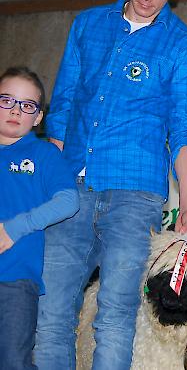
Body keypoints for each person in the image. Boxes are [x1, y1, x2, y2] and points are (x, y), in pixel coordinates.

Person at [33, 0, 187, 368]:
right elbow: (63, 109)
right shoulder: (87, 25)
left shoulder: (183, 47)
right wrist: (49, 182)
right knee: (51, 309)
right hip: (69, 190)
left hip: (135, 196)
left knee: (115, 312)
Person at [0, 67, 79, 370]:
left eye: (27, 105)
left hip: (15, 282)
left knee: (12, 362)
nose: (16, 110)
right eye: (7, 100)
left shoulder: (44, 155)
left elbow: (68, 201)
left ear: (37, 118)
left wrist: (15, 228)